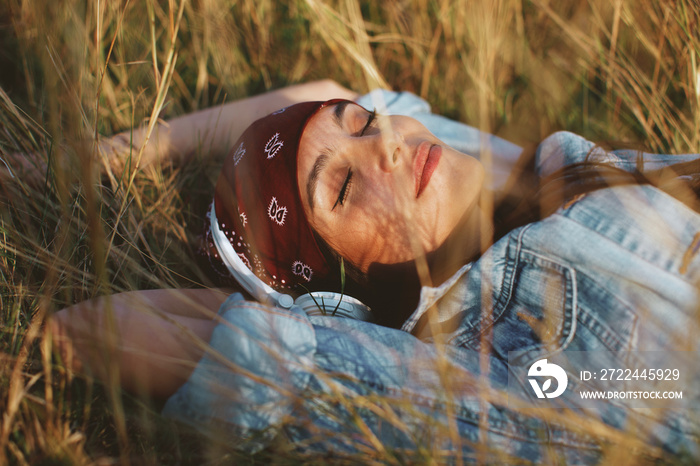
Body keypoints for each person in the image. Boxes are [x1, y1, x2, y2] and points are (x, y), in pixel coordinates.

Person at [49, 80, 700, 462]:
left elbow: (321, 93)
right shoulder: (499, 368)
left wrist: (69, 163)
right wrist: (275, 301)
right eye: (340, 190)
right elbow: (100, 329)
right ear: (346, 298)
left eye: (362, 124)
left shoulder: (497, 170)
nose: (387, 144)